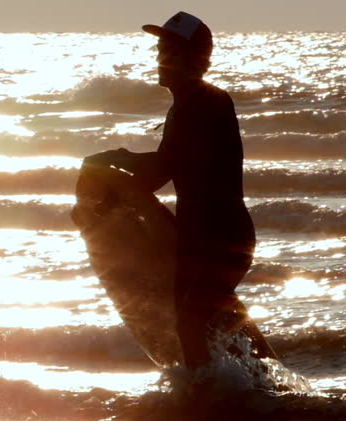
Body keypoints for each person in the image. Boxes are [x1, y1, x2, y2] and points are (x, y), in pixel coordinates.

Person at [83, 11, 274, 370]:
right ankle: (253, 390)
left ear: (197, 60)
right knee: (213, 322)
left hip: (221, 236)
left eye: (171, 52)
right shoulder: (184, 106)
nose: (161, 59)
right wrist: (112, 194)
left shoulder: (207, 103)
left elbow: (165, 166)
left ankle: (211, 395)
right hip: (196, 237)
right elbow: (163, 173)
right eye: (160, 51)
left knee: (192, 322)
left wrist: (115, 160)